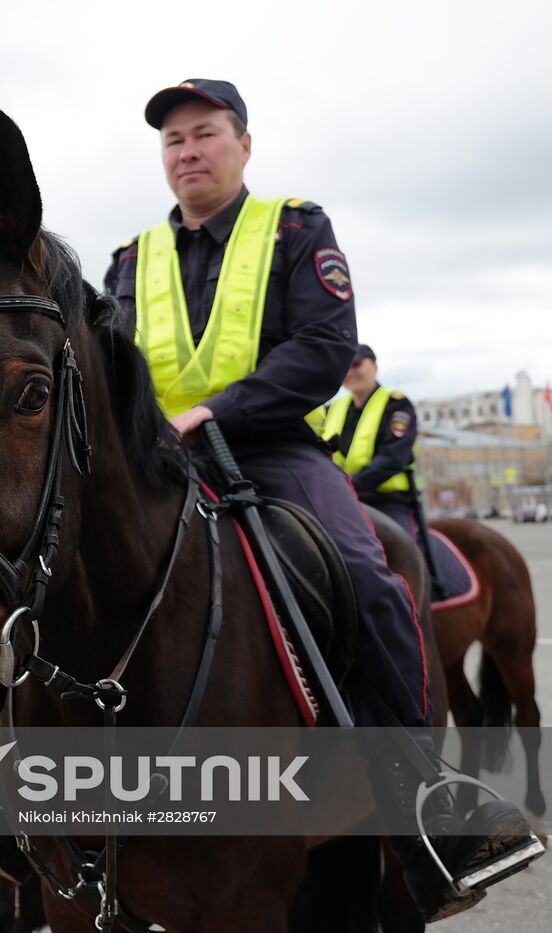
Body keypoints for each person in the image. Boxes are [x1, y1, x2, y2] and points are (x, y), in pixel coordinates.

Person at [104, 79, 538, 919]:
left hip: (266, 449)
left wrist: (213, 412)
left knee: (367, 577)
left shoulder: (297, 229)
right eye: (173, 141)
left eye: (205, 134)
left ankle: (424, 806)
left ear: (244, 145)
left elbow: (324, 346)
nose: (187, 151)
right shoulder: (128, 260)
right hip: (154, 460)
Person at [321, 344, 420, 536]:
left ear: (374, 367)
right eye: (345, 367)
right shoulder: (333, 408)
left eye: (356, 365)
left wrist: (350, 484)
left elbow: (394, 457)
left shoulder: (397, 404)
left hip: (386, 501)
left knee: (406, 554)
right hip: (342, 498)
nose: (350, 372)